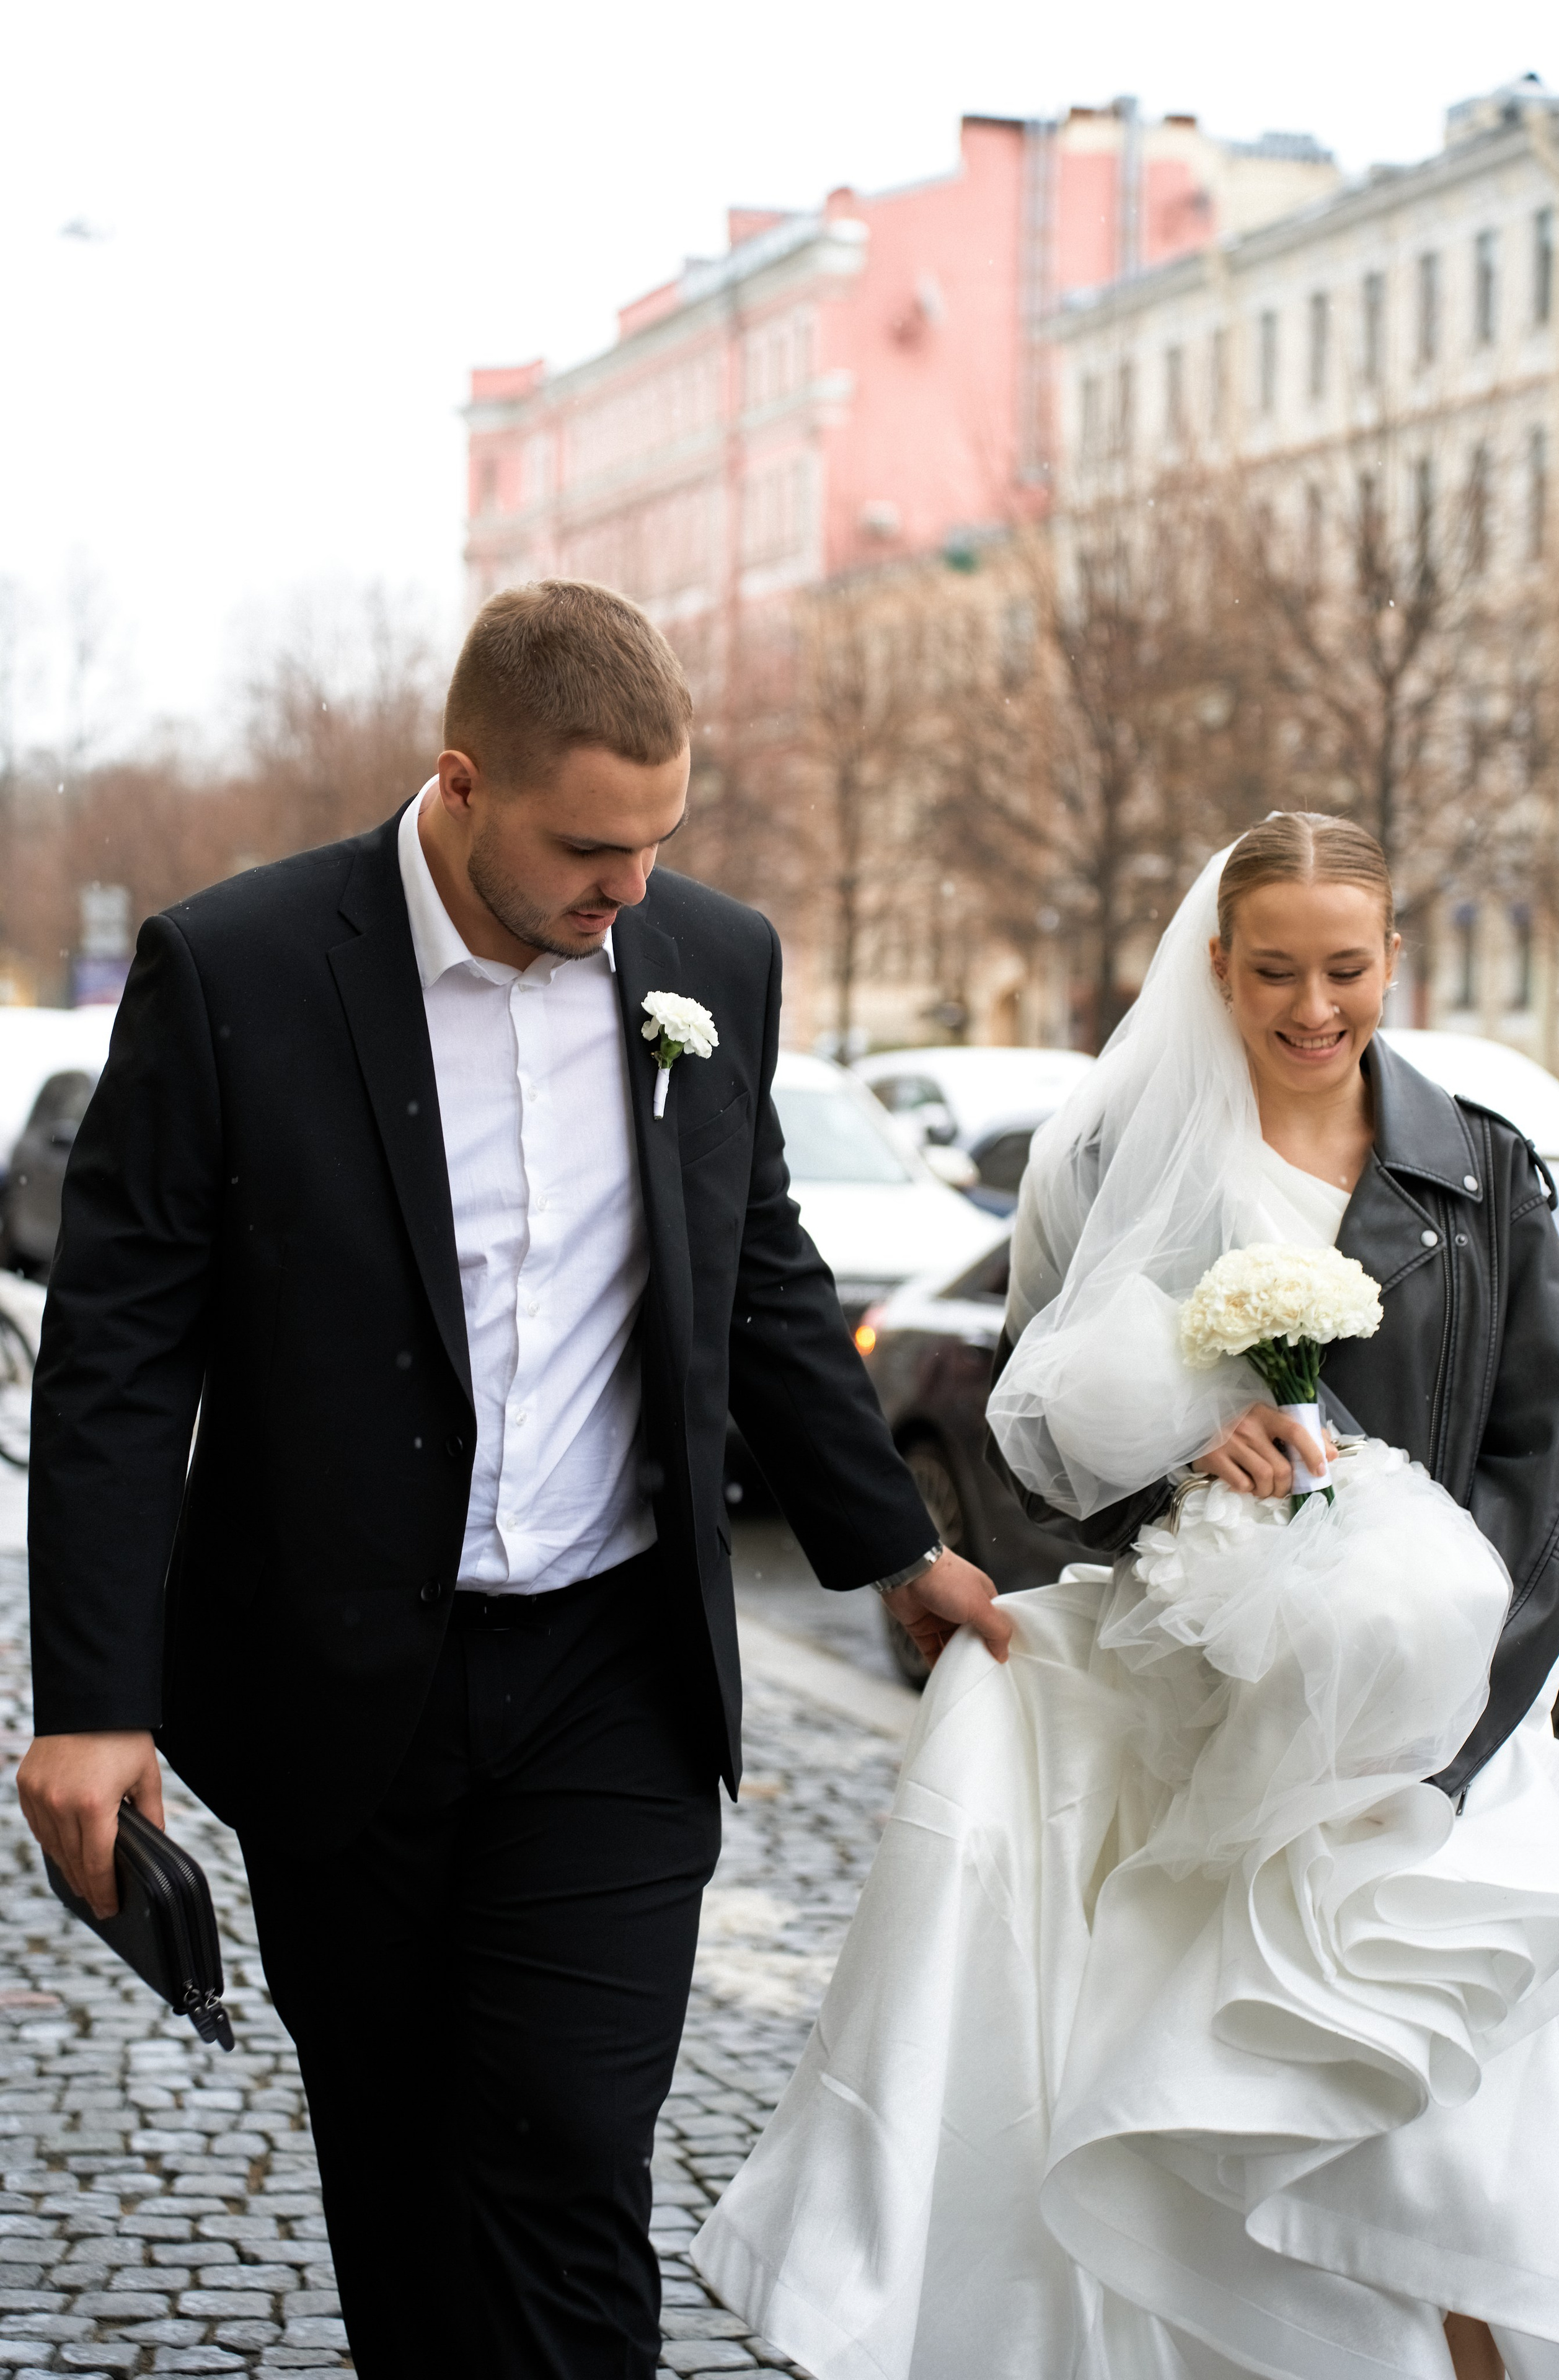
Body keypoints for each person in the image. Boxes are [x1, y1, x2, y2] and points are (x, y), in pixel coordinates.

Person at [15, 580, 1009, 2380]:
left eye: (659, 842)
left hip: (611, 1674)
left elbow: (754, 1267)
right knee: (400, 2172)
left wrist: (896, 1548)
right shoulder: (235, 970)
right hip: (340, 1688)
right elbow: (117, 1355)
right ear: (462, 784)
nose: (628, 890)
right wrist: (93, 1701)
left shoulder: (715, 959)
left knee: (562, 2139)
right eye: (588, 849)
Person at [694, 813, 1559, 2380]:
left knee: (1440, 2179)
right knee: (1222, 2189)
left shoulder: (1485, 1176)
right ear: (1214, 967)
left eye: (1346, 969)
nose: (1313, 1008)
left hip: (1441, 1775)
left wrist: (1429, 1747)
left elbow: (1549, 1472)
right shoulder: (1122, 1162)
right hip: (1211, 1749)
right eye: (1272, 973)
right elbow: (1048, 1439)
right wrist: (1188, 1467)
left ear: (1394, 960)